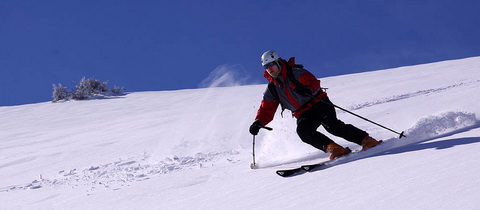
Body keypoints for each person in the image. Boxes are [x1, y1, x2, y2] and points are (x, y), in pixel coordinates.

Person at [249, 50, 381, 160]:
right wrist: (258, 122)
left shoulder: (295, 73)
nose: (269, 69)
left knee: (332, 126)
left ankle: (367, 140)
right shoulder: (272, 88)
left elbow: (313, 83)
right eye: (266, 67)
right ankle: (335, 149)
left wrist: (307, 89)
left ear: (278, 63)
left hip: (318, 103)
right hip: (302, 113)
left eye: (271, 65)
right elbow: (267, 108)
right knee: (303, 132)